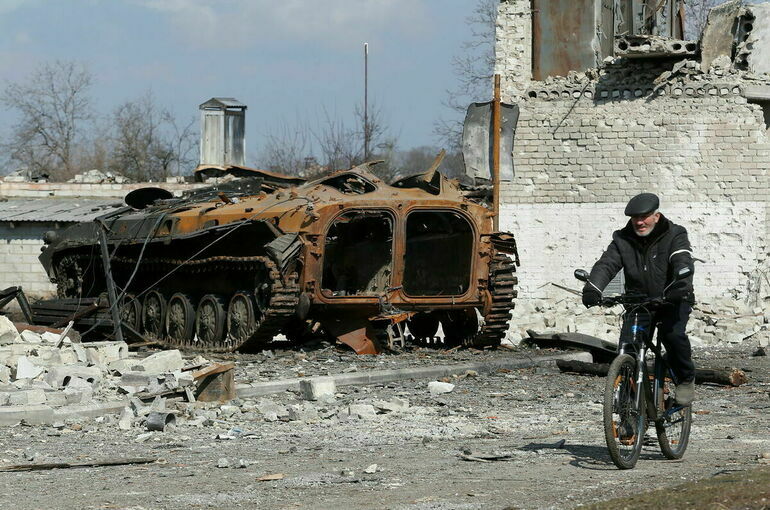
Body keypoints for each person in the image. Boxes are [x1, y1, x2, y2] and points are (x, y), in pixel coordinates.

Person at [582, 192, 696, 406]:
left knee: (673, 336)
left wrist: (679, 287)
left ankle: (685, 379)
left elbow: (682, 260)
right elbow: (607, 264)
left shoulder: (675, 234)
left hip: (672, 298)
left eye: (644, 217)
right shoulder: (622, 239)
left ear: (656, 216)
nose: (639, 222)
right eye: (635, 218)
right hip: (639, 302)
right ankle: (627, 410)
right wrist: (593, 288)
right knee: (627, 348)